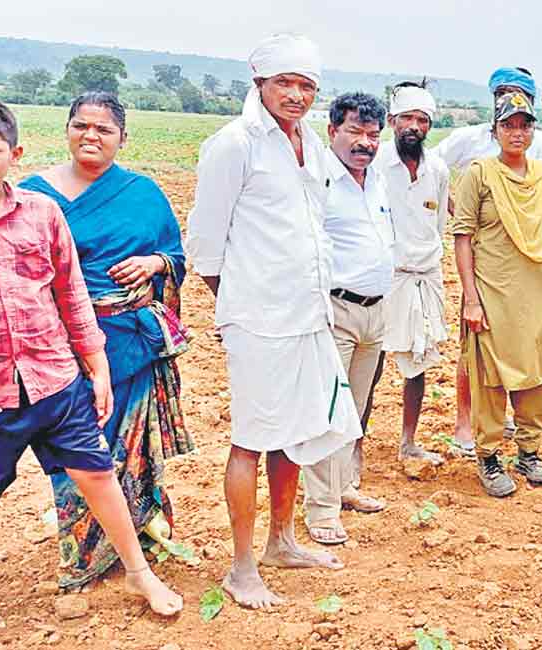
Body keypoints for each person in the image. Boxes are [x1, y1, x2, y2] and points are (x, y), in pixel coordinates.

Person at [0, 95, 182, 626]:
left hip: (55, 376)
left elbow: (71, 294)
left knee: (98, 472)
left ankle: (137, 571)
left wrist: (96, 366)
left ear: (14, 154)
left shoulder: (41, 213)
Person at [186, 34, 357, 609]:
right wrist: (242, 299)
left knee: (297, 431)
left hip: (309, 313)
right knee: (252, 439)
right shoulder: (234, 145)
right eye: (285, 82)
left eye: (307, 85)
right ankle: (241, 568)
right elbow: (206, 244)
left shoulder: (311, 145)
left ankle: (281, 541)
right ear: (260, 83)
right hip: (258, 319)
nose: (297, 95)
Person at [18, 93, 194, 588]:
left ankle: (136, 535)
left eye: (104, 129)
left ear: (123, 138)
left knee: (129, 442)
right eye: (81, 125)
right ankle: (84, 552)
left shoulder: (143, 193)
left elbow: (176, 256)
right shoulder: (32, 197)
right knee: (79, 442)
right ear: (67, 129)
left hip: (128, 341)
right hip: (60, 345)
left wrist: (156, 263)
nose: (90, 136)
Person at [437, 66, 542, 455]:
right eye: (508, 124)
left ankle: (529, 452)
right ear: (495, 128)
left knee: (534, 361)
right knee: (484, 364)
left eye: (524, 124)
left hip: (535, 287)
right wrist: (471, 298)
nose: (517, 132)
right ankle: (484, 447)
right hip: (490, 285)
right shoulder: (477, 163)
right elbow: (461, 232)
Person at [299, 91, 390, 546]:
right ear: (332, 130)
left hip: (376, 310)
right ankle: (321, 508)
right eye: (355, 131)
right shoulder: (318, 178)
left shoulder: (376, 179)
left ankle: (344, 486)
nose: (365, 142)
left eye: (373, 134)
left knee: (354, 408)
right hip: (335, 310)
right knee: (329, 410)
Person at [376, 82, 451, 467]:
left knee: (418, 363)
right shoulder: (375, 163)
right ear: (392, 121)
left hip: (424, 274)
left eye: (422, 120)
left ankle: (408, 441)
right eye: (407, 118)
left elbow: (437, 228)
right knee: (370, 362)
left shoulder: (436, 169)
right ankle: (352, 446)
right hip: (382, 278)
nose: (414, 127)